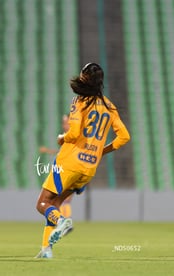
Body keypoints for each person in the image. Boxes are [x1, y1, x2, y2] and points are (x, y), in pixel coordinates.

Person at [35, 63, 130, 258]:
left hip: (69, 162)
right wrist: (101, 152)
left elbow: (75, 132)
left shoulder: (80, 100)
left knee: (43, 204)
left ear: (85, 77)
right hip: (89, 168)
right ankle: (46, 249)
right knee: (55, 204)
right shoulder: (109, 106)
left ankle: (62, 222)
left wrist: (63, 138)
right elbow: (124, 137)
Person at [39, 114, 74, 224]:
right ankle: (63, 221)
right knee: (60, 200)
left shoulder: (74, 136)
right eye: (63, 123)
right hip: (64, 170)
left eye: (67, 123)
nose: (64, 126)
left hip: (72, 171)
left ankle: (63, 222)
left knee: (60, 200)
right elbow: (60, 153)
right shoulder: (66, 137)